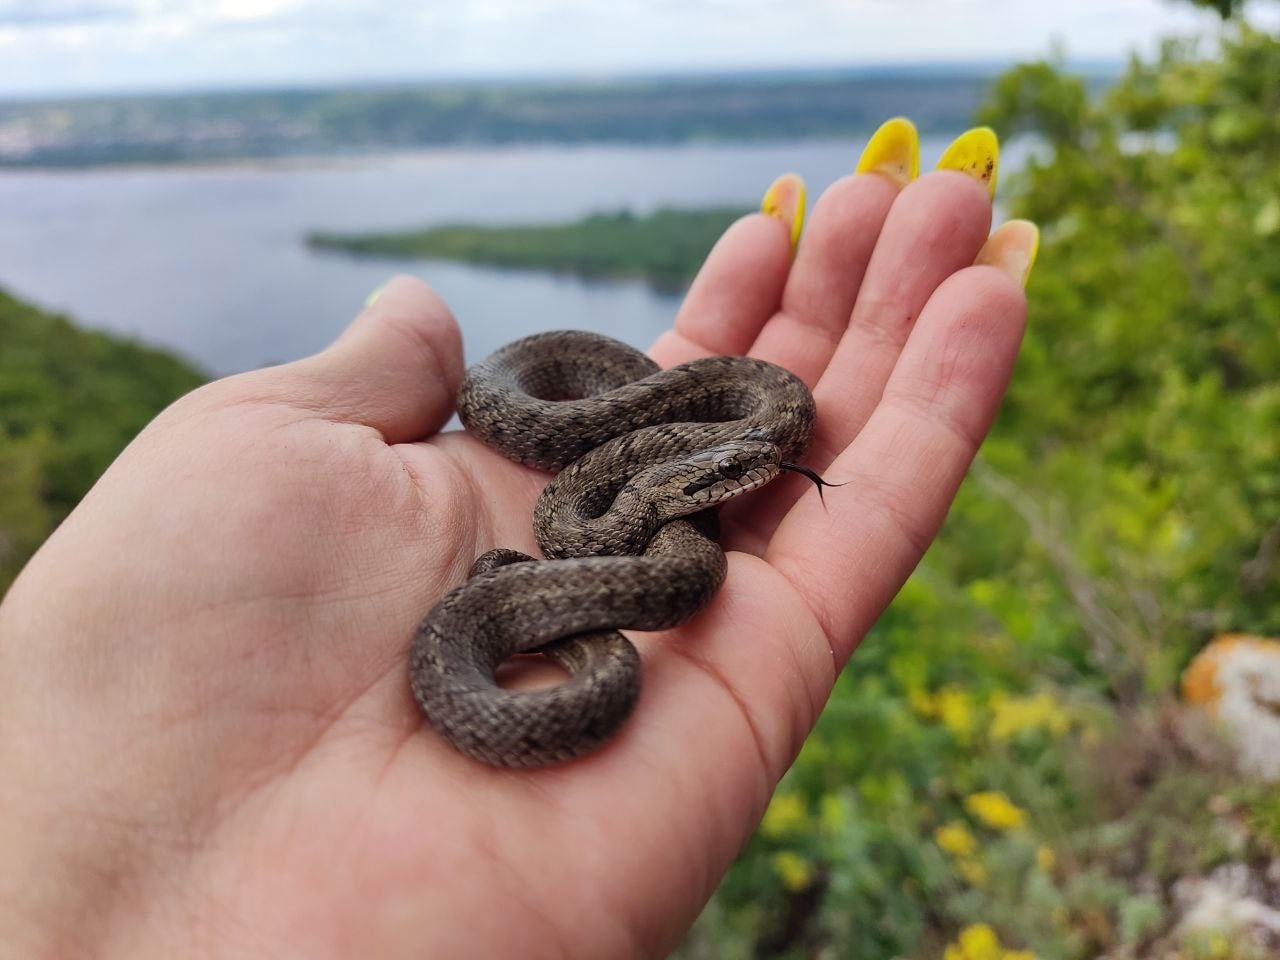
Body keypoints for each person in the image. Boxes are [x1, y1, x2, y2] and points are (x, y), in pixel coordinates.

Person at [0, 121, 1034, 957]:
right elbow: (636, 500)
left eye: (744, 468)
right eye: (731, 471)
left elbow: (701, 467)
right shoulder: (631, 520)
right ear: (689, 485)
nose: (755, 469)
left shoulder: (663, 498)